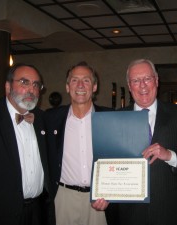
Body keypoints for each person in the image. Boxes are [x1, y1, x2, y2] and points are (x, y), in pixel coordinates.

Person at [95, 58, 177, 225]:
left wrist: (169, 155)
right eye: (136, 80)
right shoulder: (116, 119)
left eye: (147, 78)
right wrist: (102, 194)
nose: (142, 85)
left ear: (156, 80)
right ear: (129, 85)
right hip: (129, 214)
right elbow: (105, 164)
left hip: (170, 211)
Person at [0, 63, 53, 225]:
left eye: (36, 84)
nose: (31, 90)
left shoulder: (43, 119)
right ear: (7, 86)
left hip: (38, 212)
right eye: (24, 82)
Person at [45, 61, 111, 225]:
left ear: (94, 87)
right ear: (68, 87)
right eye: (74, 80)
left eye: (86, 80)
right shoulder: (50, 118)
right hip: (64, 198)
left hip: (100, 198)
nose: (80, 85)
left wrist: (111, 192)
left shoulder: (110, 118)